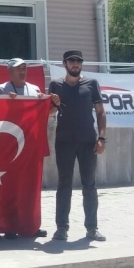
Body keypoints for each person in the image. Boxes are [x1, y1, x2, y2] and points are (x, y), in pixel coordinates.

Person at [48, 50, 107, 243]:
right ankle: (61, 228)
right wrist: (55, 105)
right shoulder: (55, 85)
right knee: (64, 184)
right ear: (64, 64)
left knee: (89, 185)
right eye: (72, 61)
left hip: (88, 141)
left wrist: (102, 138)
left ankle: (92, 228)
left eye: (78, 61)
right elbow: (49, 113)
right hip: (64, 141)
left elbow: (100, 112)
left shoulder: (91, 83)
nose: (75, 64)